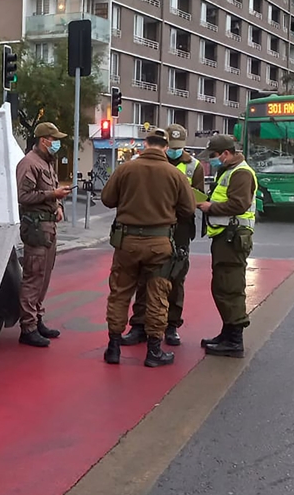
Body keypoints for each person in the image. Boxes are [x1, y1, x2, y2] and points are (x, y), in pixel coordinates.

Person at [100, 131, 195, 367]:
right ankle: (154, 352)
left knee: (120, 294)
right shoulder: (175, 174)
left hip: (127, 243)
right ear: (166, 147)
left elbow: (107, 199)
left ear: (146, 144)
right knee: (158, 296)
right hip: (159, 245)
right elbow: (189, 209)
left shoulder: (125, 170)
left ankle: (113, 348)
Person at [119, 124, 205, 348]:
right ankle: (139, 325)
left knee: (175, 279)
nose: (173, 151)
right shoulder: (152, 162)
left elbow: (197, 199)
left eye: (178, 147)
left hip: (180, 230)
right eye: (171, 147)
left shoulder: (194, 166)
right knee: (145, 278)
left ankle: (171, 326)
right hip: (156, 229)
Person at [196, 135, 257, 358]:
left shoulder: (241, 172)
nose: (212, 160)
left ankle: (234, 340)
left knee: (230, 286)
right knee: (222, 285)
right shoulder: (229, 170)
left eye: (213, 156)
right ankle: (227, 332)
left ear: (226, 153)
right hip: (226, 236)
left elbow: (238, 204)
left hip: (233, 237)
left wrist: (210, 207)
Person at [17, 122, 73, 348]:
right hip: (36, 228)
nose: (57, 143)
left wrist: (58, 206)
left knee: (44, 276)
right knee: (34, 276)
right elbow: (24, 196)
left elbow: (51, 195)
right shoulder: (29, 163)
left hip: (48, 227)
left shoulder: (47, 163)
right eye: (54, 138)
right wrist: (52, 194)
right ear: (44, 140)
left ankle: (37, 318)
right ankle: (28, 327)